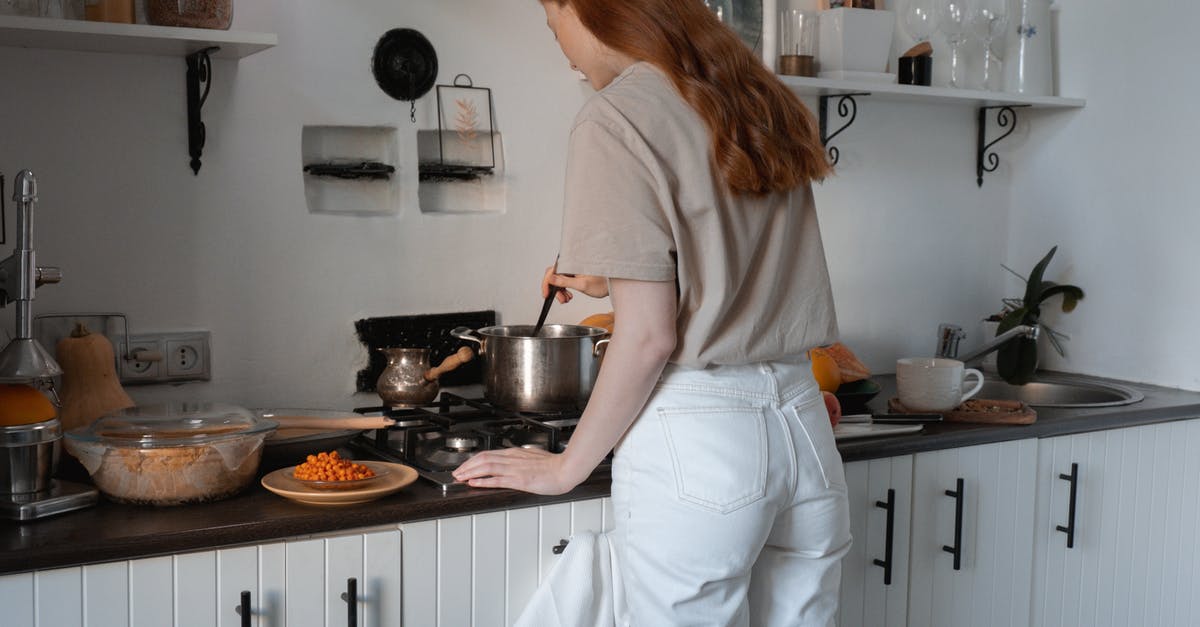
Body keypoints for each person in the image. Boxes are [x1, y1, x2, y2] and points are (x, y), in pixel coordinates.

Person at [452, 0, 852, 624]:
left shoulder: (615, 117)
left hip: (703, 439)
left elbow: (647, 337)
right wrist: (610, 274)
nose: (558, 41)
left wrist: (566, 468)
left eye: (549, 19)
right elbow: (729, 255)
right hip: (802, 424)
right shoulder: (756, 97)